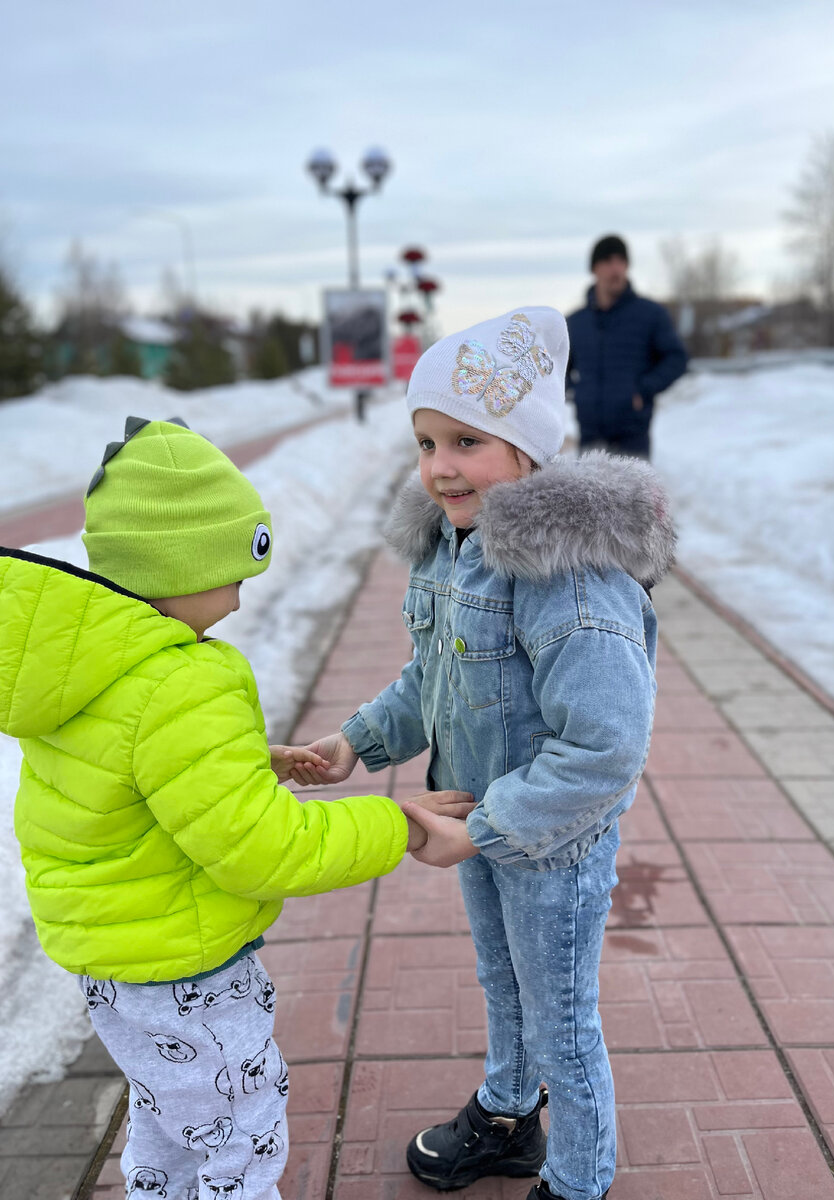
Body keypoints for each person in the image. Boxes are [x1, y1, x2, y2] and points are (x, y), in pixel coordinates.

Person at [0, 417, 472, 1200]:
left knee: (172, 1114)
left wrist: (251, 762)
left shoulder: (86, 663)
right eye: (234, 568)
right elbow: (263, 847)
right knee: (242, 1131)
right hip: (188, 967)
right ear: (181, 565)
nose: (244, 593)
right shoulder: (185, 682)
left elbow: (129, 771)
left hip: (118, 965)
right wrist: (399, 826)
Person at [290, 309, 675, 1200]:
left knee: (564, 1019)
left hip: (552, 842)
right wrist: (353, 743)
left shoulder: (568, 579)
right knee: (502, 980)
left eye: (467, 440)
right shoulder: (454, 549)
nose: (439, 467)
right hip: (481, 824)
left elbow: (607, 747)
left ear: (531, 450)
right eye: (426, 442)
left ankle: (580, 1181)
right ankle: (508, 1114)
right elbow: (434, 677)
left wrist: (493, 825)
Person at [567, 234, 688, 459]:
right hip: (590, 434)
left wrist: (643, 389)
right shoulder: (576, 322)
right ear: (594, 269)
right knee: (588, 494)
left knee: (634, 495)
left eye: (621, 261)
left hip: (632, 435)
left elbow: (677, 358)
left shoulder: (650, 314)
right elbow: (558, 366)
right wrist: (575, 392)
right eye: (608, 262)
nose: (616, 269)